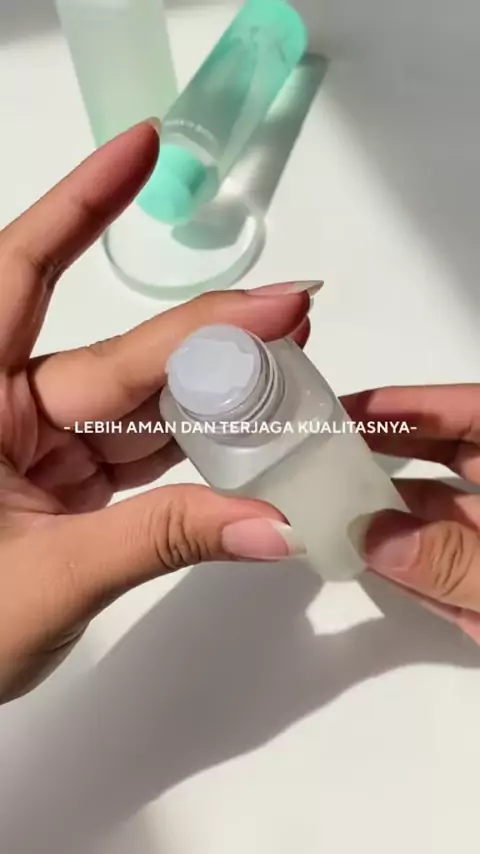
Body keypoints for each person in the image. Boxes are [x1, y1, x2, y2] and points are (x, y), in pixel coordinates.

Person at [0, 120, 478, 705]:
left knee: (354, 498)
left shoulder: (285, 382)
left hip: (337, 477)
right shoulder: (188, 417)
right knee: (338, 538)